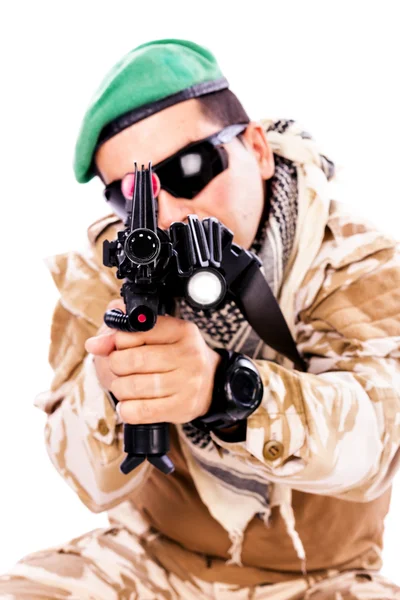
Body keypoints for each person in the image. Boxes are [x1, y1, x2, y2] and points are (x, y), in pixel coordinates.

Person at [1, 38, 399, 600]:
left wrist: (226, 392)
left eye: (190, 168)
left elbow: (379, 444)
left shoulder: (352, 262)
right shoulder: (105, 272)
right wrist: (113, 389)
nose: (166, 214)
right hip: (149, 560)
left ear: (257, 149)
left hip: (320, 580)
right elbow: (87, 483)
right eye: (132, 194)